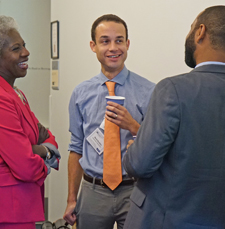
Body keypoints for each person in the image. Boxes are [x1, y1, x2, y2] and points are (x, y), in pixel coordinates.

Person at [123, 5, 225, 229]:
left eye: (191, 28)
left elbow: (139, 165)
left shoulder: (172, 89)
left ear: (200, 32)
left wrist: (133, 148)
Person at [0, 15, 60, 229]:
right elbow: (25, 165)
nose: (26, 53)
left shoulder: (12, 92)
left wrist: (38, 148)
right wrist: (47, 155)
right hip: (1, 210)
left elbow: (42, 133)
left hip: (16, 206)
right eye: (16, 48)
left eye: (24, 45)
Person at [63, 14, 155, 229]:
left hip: (135, 190)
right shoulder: (80, 93)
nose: (113, 47)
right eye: (105, 41)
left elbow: (156, 145)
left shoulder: (150, 91)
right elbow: (76, 148)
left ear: (128, 44)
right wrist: (71, 199)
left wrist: (133, 126)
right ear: (93, 46)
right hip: (94, 191)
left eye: (119, 40)